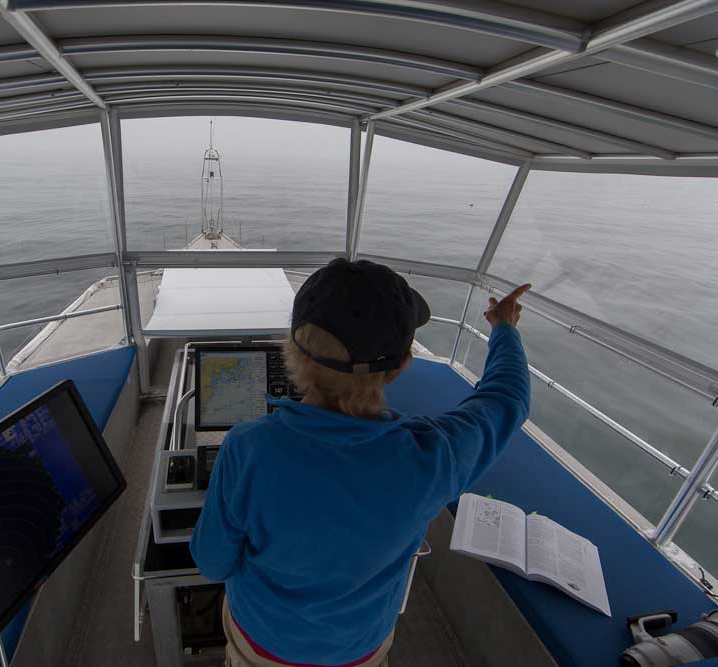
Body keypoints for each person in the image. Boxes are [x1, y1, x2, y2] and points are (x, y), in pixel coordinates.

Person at [190, 258, 531, 667]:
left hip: (263, 646)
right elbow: (506, 399)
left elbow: (213, 563)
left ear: (292, 351)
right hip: (360, 652)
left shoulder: (248, 448)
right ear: (402, 366)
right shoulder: (433, 456)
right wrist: (504, 328)